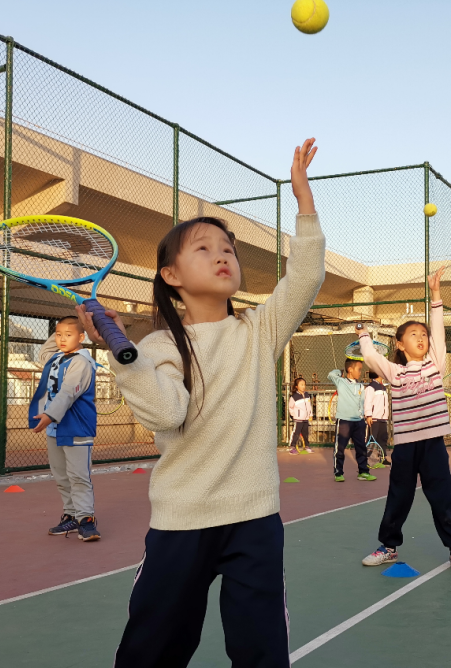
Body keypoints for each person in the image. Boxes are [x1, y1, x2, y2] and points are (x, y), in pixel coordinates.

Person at [82, 139, 324, 668]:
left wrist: (303, 199)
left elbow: (304, 277)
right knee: (153, 650)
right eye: (203, 248)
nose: (222, 255)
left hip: (256, 518)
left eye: (228, 249)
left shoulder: (259, 331)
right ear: (171, 276)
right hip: (181, 521)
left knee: (261, 651)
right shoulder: (157, 348)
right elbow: (167, 413)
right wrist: (123, 359)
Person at [358, 267, 451, 573]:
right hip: (407, 446)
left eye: (423, 334)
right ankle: (388, 546)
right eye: (414, 334)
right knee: (399, 496)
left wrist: (436, 294)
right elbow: (371, 358)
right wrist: (362, 334)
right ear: (399, 343)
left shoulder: (435, 364)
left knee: (442, 496)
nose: (421, 337)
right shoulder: (395, 373)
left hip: (433, 443)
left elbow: (439, 331)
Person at [30, 316, 101, 542]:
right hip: (55, 428)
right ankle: (71, 515)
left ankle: (86, 520)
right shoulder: (56, 358)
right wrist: (67, 323)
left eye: (68, 335)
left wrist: (49, 415)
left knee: (78, 476)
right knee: (61, 476)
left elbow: (68, 392)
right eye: (58, 334)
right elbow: (43, 353)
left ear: (81, 337)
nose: (61, 339)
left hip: (76, 426)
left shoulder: (81, 362)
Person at [328, 358, 374, 481]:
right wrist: (341, 372)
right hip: (344, 421)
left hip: (358, 422)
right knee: (340, 448)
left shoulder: (360, 386)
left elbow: (363, 402)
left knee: (361, 447)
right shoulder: (341, 382)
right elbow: (331, 374)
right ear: (350, 370)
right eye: (358, 369)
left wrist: (366, 415)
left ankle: (363, 471)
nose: (360, 372)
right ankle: (338, 473)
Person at [364, 370, 391, 466]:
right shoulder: (371, 387)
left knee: (383, 438)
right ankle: (366, 459)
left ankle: (382, 458)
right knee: (371, 440)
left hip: (383, 419)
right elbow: (368, 402)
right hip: (374, 418)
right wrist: (368, 415)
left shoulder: (383, 387)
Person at [287, 376, 314, 454]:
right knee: (296, 433)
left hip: (306, 419)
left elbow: (309, 406)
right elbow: (290, 407)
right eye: (301, 385)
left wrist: (310, 415)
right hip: (298, 419)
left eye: (304, 384)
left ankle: (307, 446)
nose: (303, 386)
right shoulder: (294, 397)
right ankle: (292, 447)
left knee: (305, 433)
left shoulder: (307, 395)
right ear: (296, 386)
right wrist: (294, 415)